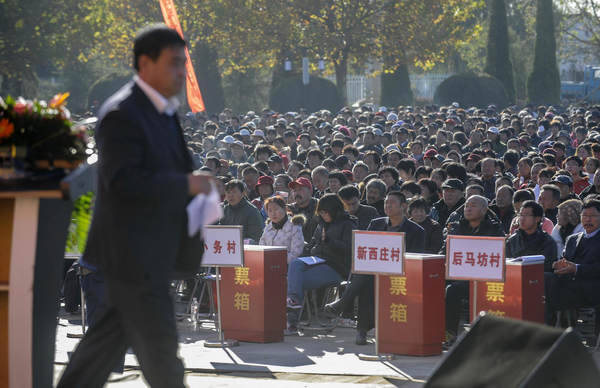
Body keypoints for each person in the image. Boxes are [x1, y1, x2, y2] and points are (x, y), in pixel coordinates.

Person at [58, 25, 214, 388]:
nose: (182, 72)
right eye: (174, 63)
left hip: (151, 253)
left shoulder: (165, 112)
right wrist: (186, 185)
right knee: (162, 355)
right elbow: (123, 182)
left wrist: (198, 191)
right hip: (130, 255)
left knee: (100, 349)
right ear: (145, 62)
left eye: (184, 63)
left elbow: (177, 171)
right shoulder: (121, 114)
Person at [325, 191, 425, 344]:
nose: (387, 205)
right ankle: (361, 330)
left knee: (366, 278)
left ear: (403, 206)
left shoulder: (417, 231)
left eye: (392, 202)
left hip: (401, 274)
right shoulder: (376, 223)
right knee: (367, 278)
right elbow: (367, 247)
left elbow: (416, 259)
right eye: (386, 202)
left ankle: (346, 309)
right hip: (376, 272)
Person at [286, 194, 357, 333]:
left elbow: (351, 249)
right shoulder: (321, 224)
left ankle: (291, 316)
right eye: (321, 213)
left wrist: (330, 242)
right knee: (294, 266)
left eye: (326, 212)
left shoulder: (348, 224)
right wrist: (307, 248)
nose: (323, 215)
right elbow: (313, 244)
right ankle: (292, 313)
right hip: (317, 261)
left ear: (334, 210)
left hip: (336, 268)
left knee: (293, 280)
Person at [442, 195, 504, 343]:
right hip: (459, 276)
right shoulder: (456, 227)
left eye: (473, 205)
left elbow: (500, 255)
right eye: (466, 206)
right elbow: (444, 251)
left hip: (484, 279)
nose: (468, 208)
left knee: (453, 290)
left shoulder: (494, 229)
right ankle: (445, 333)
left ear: (484, 210)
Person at [545, 199, 600, 325]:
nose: (588, 220)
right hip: (570, 285)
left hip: (592, 288)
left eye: (592, 216)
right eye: (585, 216)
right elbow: (565, 260)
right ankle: (549, 329)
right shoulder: (572, 239)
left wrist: (577, 268)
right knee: (544, 279)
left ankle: (558, 327)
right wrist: (558, 266)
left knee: (551, 291)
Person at [506, 200, 557, 272]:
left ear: (537, 218)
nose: (522, 219)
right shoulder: (512, 240)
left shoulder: (547, 242)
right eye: (520, 215)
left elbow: (547, 268)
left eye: (526, 215)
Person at [259, 196, 305, 264]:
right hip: (268, 265)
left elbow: (296, 253)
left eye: (276, 209)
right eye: (270, 210)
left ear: (284, 209)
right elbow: (261, 248)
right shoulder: (268, 228)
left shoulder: (294, 226)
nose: (273, 213)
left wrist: (275, 261)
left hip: (288, 267)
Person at [288, 177, 319, 241]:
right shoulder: (289, 209)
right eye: (295, 190)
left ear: (310, 191)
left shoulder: (320, 207)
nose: (297, 193)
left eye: (300, 189)